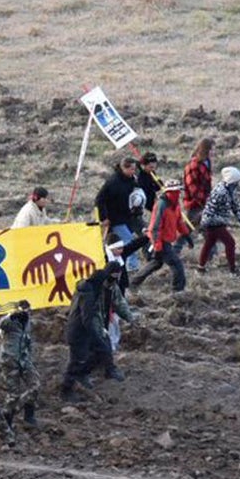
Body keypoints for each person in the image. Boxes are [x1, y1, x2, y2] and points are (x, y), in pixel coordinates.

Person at [60, 261, 121, 400]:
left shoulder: (85, 290)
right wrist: (95, 335)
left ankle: (81, 376)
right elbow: (86, 318)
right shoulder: (88, 294)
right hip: (79, 333)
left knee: (100, 352)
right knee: (76, 361)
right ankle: (66, 390)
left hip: (81, 331)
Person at [136, 183, 193, 292]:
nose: (179, 193)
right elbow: (155, 228)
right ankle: (178, 291)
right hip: (161, 240)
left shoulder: (175, 205)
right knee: (177, 265)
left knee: (156, 264)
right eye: (176, 191)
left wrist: (186, 236)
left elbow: (179, 222)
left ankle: (134, 282)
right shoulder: (161, 205)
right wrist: (157, 246)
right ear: (169, 192)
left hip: (165, 240)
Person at [195, 167, 240, 275]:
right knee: (230, 243)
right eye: (236, 182)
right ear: (231, 181)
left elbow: (236, 208)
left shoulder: (230, 191)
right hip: (213, 222)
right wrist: (205, 224)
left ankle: (200, 267)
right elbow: (211, 209)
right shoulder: (220, 192)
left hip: (215, 222)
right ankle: (232, 270)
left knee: (209, 243)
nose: (238, 184)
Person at [95, 157, 148, 272]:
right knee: (128, 242)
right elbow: (99, 199)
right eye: (132, 169)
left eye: (135, 169)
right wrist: (103, 217)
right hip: (115, 219)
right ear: (124, 168)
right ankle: (132, 267)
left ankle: (110, 265)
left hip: (128, 217)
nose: (134, 172)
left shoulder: (132, 180)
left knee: (113, 244)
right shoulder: (113, 182)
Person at [0, 301, 38, 426]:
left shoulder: (27, 322)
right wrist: (12, 315)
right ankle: (6, 420)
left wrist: (29, 356)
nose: (26, 313)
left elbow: (28, 340)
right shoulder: (10, 322)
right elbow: (0, 324)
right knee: (13, 395)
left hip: (25, 360)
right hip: (9, 361)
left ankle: (28, 415)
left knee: (35, 386)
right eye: (24, 310)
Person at [181, 139, 214, 223]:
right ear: (205, 150)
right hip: (194, 206)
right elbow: (193, 189)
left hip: (204, 204)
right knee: (189, 232)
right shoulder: (193, 166)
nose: (214, 152)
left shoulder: (206, 163)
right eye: (212, 149)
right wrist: (206, 200)